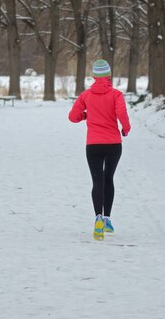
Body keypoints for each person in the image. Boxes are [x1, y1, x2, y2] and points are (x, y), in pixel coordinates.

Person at [68, 59, 131, 240]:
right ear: (109, 75)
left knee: (97, 182)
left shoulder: (86, 95)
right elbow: (121, 114)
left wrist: (86, 115)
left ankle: (97, 219)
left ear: (94, 76)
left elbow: (73, 117)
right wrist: (125, 129)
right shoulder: (116, 95)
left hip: (93, 145)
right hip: (113, 144)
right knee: (108, 178)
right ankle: (107, 219)